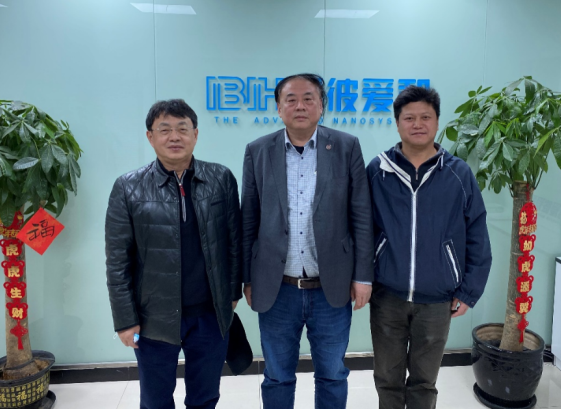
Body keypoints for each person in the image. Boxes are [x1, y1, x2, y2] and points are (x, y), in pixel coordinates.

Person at [241, 73, 374, 409]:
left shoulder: (346, 146)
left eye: (308, 98)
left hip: (331, 287)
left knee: (332, 375)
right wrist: (247, 278)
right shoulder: (258, 150)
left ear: (321, 105)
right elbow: (249, 219)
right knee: (277, 375)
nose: (300, 106)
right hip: (277, 288)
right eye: (291, 99)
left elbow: (361, 215)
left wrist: (363, 276)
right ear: (278, 107)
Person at [105, 99, 242, 409]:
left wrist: (231, 295)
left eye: (182, 128)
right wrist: (125, 320)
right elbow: (117, 261)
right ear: (150, 137)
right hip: (152, 318)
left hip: (210, 315)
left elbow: (234, 243)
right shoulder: (128, 187)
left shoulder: (221, 179)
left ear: (196, 134)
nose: (174, 137)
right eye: (164, 129)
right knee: (155, 401)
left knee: (205, 397)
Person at [366, 86, 492, 409]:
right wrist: (363, 279)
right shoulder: (378, 171)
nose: (418, 124)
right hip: (387, 297)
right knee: (387, 378)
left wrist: (469, 291)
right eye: (409, 118)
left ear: (437, 122)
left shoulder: (458, 173)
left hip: (437, 300)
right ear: (397, 123)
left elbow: (477, 233)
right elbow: (362, 230)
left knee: (424, 381)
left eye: (426, 117)